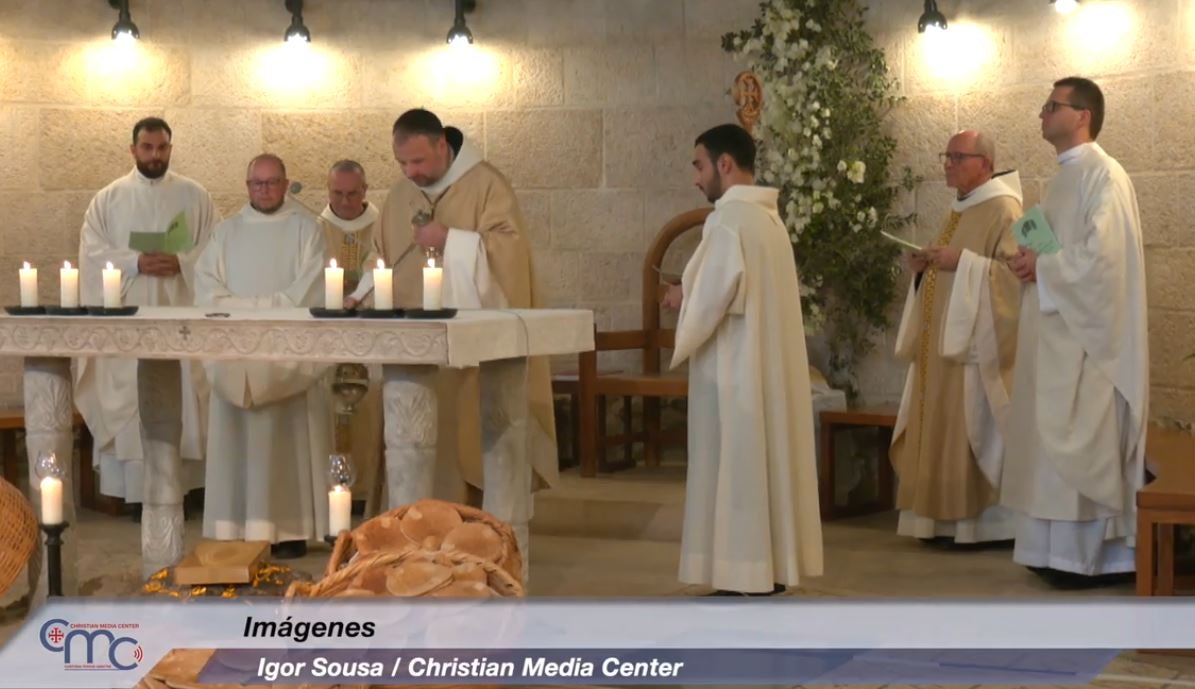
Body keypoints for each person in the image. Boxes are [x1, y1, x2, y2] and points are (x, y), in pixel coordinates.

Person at [362, 108, 555, 575]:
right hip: (411, 348)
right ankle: (410, 549)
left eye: (420, 162)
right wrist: (360, 291)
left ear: (443, 145)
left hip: (468, 357)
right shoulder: (400, 195)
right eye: (403, 163)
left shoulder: (487, 184)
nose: (412, 173)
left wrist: (451, 239)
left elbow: (509, 253)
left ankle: (474, 555)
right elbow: (381, 256)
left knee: (467, 437)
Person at [663, 123, 823, 595]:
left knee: (736, 465)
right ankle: (768, 569)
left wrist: (681, 298)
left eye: (699, 165)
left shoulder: (728, 221)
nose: (695, 177)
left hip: (736, 371)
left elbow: (715, 296)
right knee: (764, 465)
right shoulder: (770, 222)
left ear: (724, 164)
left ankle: (739, 573)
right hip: (766, 370)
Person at [1002, 76, 1148, 588]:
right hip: (1055, 338)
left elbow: (1103, 264)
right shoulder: (1062, 179)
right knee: (1046, 443)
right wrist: (1029, 263)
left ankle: (1088, 559)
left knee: (1081, 442)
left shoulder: (1105, 176)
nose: (1042, 115)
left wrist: (1045, 269)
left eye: (1051, 106)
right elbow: (1059, 255)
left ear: (1081, 115)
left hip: (1088, 346)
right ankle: (1048, 552)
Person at [75, 116, 218, 574]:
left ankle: (184, 492)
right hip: (129, 318)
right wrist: (135, 262)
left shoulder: (195, 196)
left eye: (162, 147)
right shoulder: (109, 199)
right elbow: (92, 253)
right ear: (133, 149)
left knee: (185, 401)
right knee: (131, 398)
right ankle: (140, 499)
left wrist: (184, 262)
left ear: (171, 147)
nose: (156, 155)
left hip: (181, 316)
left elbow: (217, 250)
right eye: (147, 147)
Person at [194, 153, 333, 559]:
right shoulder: (225, 233)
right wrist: (259, 310)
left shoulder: (308, 230)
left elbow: (312, 287)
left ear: (286, 184)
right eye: (257, 183)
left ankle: (290, 531)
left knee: (286, 442)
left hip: (286, 350)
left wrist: (255, 308)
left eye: (273, 183)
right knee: (240, 443)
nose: (265, 190)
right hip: (236, 350)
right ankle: (237, 527)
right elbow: (206, 286)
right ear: (247, 185)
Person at [889, 130, 1022, 547]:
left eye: (957, 156)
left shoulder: (1004, 208)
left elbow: (1014, 278)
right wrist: (924, 268)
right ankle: (934, 521)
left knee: (966, 430)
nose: (947, 163)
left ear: (984, 163)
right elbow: (950, 269)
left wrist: (961, 262)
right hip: (937, 348)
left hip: (971, 354)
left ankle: (976, 525)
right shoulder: (960, 207)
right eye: (945, 155)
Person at [317, 160, 383, 515]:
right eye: (336, 193)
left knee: (370, 405)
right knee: (328, 407)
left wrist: (358, 294)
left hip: (368, 331)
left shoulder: (381, 224)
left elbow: (383, 267)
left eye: (352, 193)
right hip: (327, 335)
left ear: (365, 190)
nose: (344, 201)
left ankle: (368, 489)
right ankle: (332, 490)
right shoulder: (315, 228)